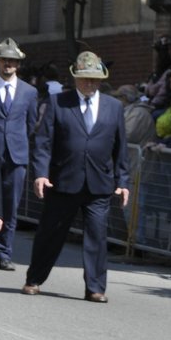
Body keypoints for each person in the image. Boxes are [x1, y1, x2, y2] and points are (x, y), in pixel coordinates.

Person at [21, 52, 130, 302]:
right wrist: (40, 174)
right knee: (51, 234)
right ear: (75, 78)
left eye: (95, 79)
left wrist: (123, 182)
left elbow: (121, 148)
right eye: (85, 79)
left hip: (99, 184)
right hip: (63, 180)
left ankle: (95, 287)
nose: (90, 84)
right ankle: (34, 279)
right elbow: (43, 143)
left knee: (97, 237)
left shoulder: (113, 107)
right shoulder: (58, 102)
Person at [0, 38, 38, 271]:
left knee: (12, 205)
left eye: (12, 60)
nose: (8, 64)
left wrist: (18, 145)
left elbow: (31, 125)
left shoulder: (29, 92)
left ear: (18, 64)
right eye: (4, 59)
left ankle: (5, 252)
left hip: (16, 156)